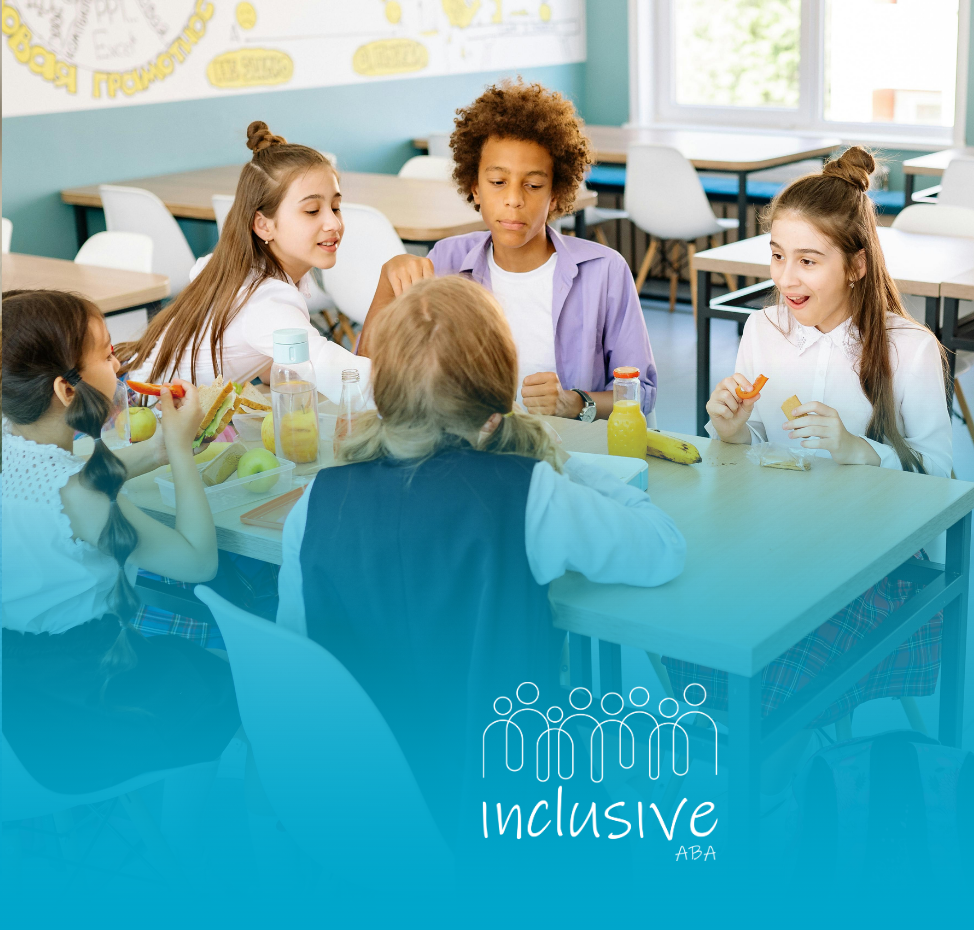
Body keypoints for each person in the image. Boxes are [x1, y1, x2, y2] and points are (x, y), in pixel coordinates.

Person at [276, 276, 685, 843]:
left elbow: (299, 664)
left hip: (360, 816)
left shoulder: (315, 502)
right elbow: (662, 547)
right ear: (493, 417)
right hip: (506, 820)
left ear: (382, 398)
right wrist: (557, 459)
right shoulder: (528, 493)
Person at [666, 147, 952, 740]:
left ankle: (775, 760)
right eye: (777, 256)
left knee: (775, 668)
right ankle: (764, 751)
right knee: (689, 625)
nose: (785, 279)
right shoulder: (762, 330)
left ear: (856, 265)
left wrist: (858, 450)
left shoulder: (911, 348)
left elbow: (941, 478)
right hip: (773, 541)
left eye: (808, 261)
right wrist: (732, 430)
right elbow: (747, 451)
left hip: (872, 561)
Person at [2, 290, 239, 793]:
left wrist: (155, 449)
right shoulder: (85, 497)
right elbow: (198, 561)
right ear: (67, 390)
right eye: (108, 354)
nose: (120, 364)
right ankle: (197, 823)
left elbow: (65, 478)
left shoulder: (13, 445)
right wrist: (180, 451)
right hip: (91, 712)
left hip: (18, 705)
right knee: (236, 683)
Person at [360, 79, 657, 422]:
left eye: (533, 185)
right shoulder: (445, 261)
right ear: (475, 188)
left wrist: (574, 402)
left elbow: (642, 392)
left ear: (555, 195)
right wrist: (387, 282)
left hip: (567, 446)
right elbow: (370, 378)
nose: (514, 199)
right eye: (498, 182)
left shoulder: (604, 271)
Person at [122, 121, 390, 400]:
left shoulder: (239, 269)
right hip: (144, 413)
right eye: (312, 211)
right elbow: (354, 385)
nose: (333, 223)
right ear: (263, 225)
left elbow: (273, 368)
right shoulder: (267, 300)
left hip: (135, 391)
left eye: (335, 207)